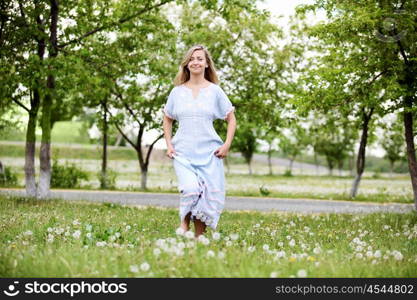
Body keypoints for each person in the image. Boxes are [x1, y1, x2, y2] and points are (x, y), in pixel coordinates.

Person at [162, 45, 237, 238]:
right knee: (190, 188)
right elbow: (167, 118)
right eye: (192, 59)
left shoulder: (215, 91)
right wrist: (169, 144)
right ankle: (184, 225)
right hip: (183, 153)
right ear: (187, 64)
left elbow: (231, 117)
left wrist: (227, 144)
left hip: (209, 153)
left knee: (205, 196)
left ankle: (198, 238)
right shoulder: (177, 92)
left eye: (200, 59)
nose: (196, 62)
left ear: (206, 64)